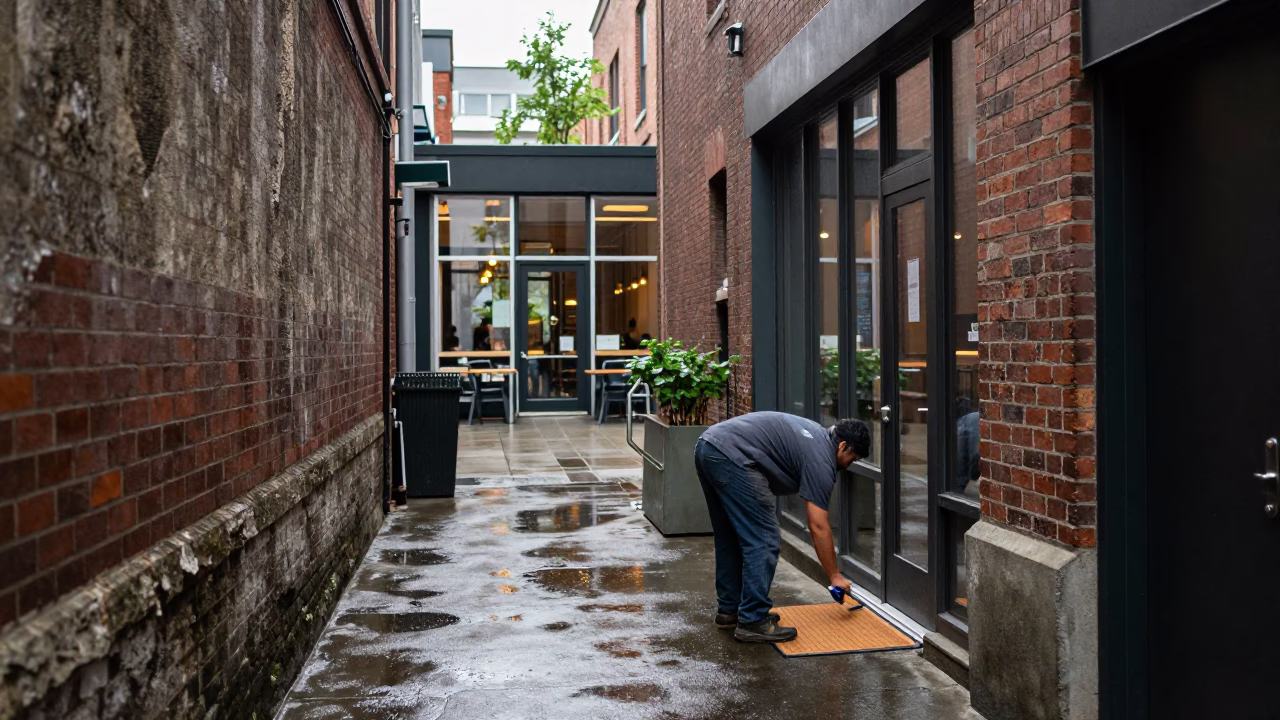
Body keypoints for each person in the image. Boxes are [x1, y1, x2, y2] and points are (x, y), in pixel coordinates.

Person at [694, 412, 870, 643]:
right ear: (843, 446)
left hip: (708, 446)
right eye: (853, 457)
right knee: (764, 538)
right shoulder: (821, 460)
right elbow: (818, 525)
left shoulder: (815, 437)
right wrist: (834, 576)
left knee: (730, 536)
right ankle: (753, 619)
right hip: (732, 456)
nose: (850, 464)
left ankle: (730, 610)